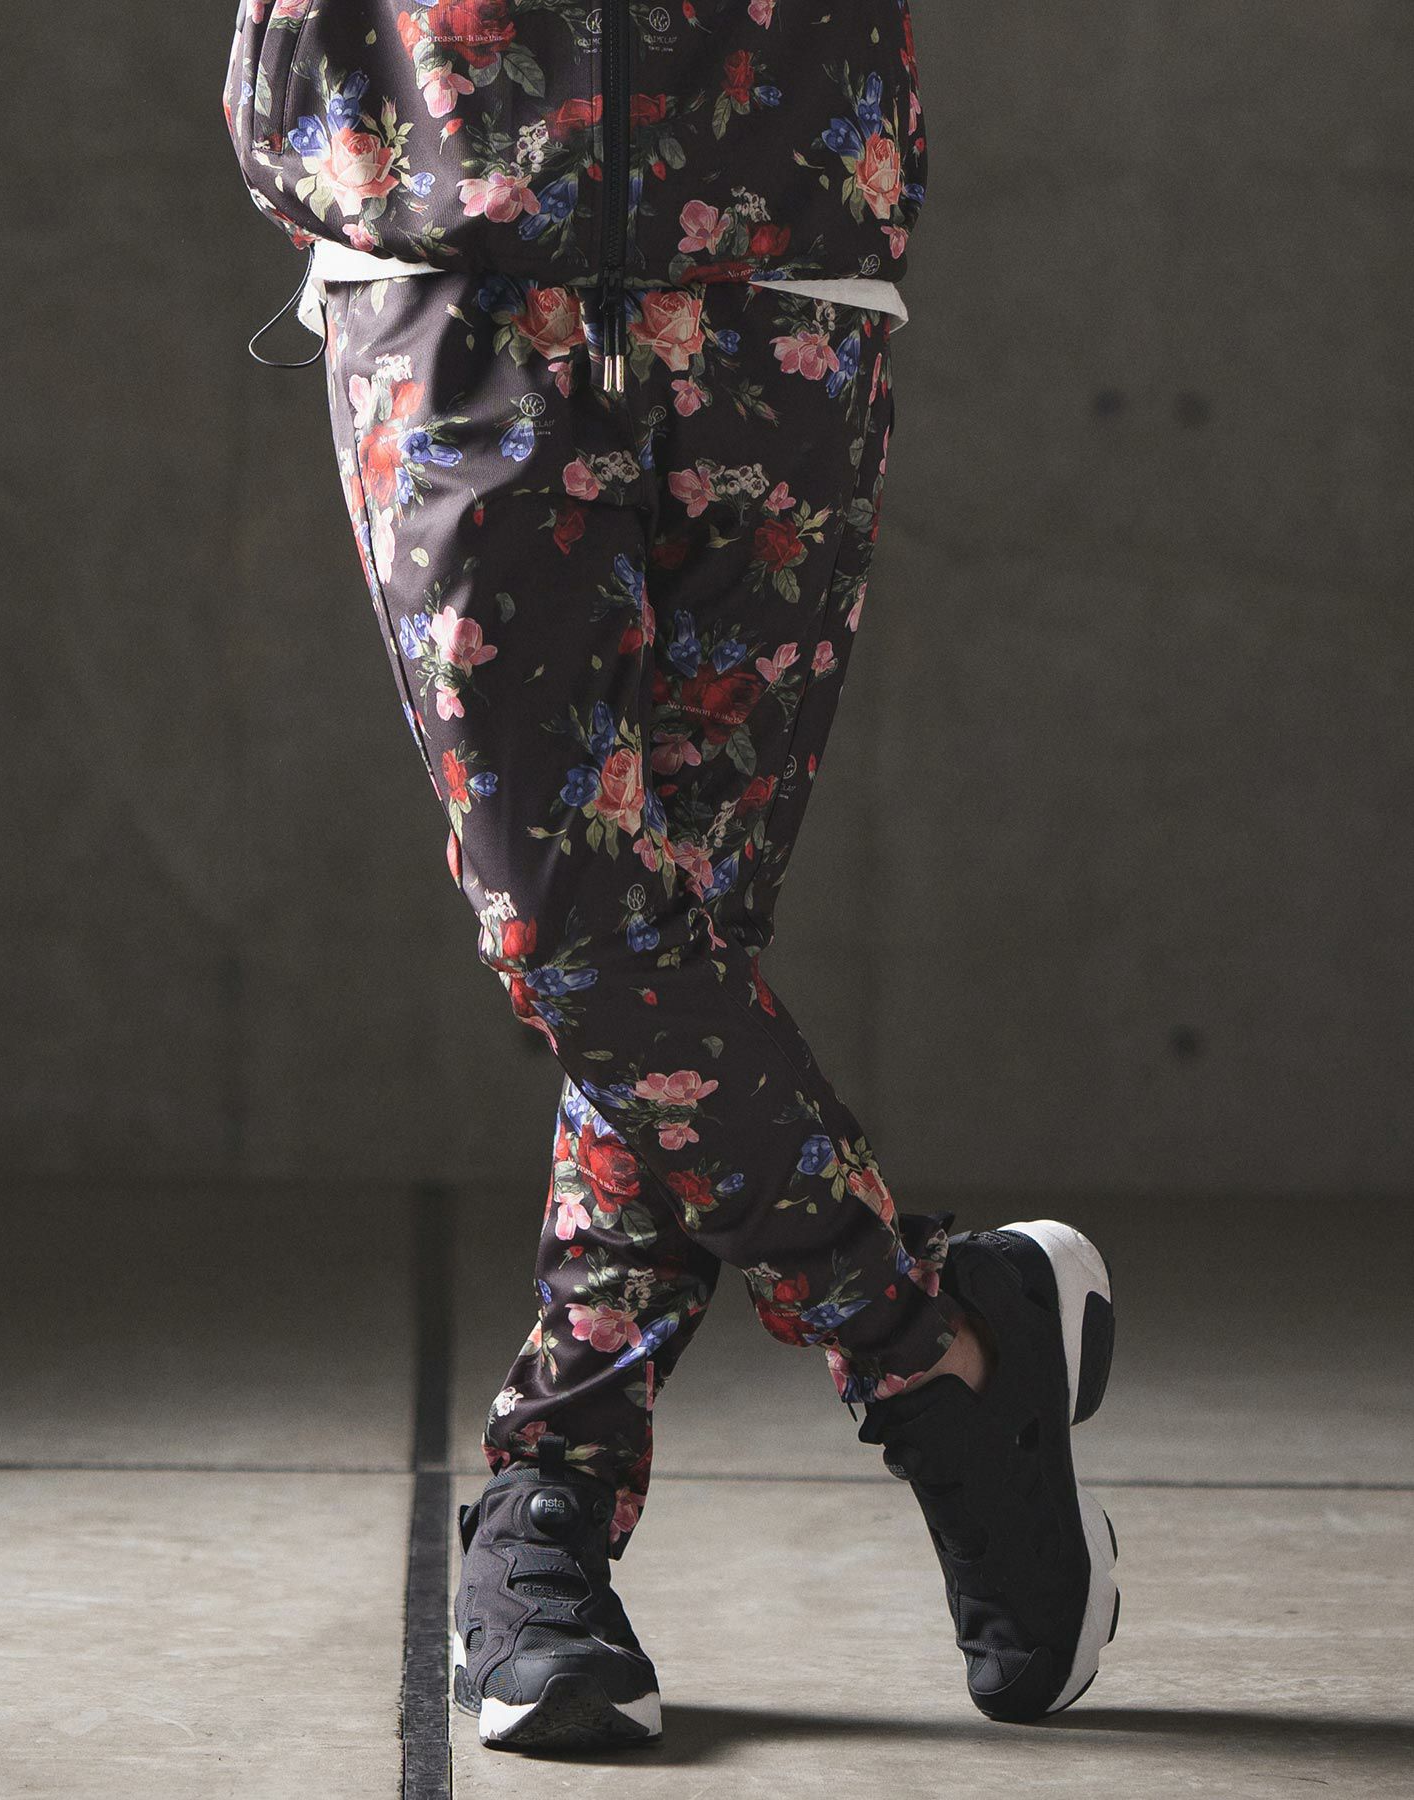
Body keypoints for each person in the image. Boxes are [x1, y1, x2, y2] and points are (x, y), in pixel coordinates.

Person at [224, 0, 1120, 1754]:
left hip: (782, 261)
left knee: (680, 942)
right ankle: (933, 1357)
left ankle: (550, 1510)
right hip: (450, 237)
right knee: (576, 926)